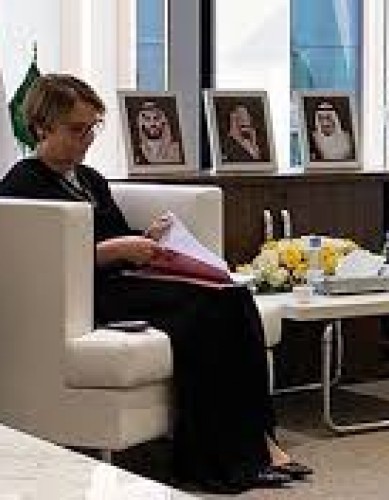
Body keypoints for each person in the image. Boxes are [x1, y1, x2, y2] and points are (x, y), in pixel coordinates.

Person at [0, 74, 313, 493]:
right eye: (76, 130)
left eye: (92, 129)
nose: (86, 140)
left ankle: (262, 440)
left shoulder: (89, 179)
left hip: (129, 281)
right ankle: (222, 458)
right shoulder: (22, 183)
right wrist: (117, 249)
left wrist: (147, 239)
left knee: (235, 298)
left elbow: (112, 232)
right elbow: (45, 259)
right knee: (206, 311)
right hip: (95, 295)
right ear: (42, 127)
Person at [134, 100, 183, 164]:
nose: (152, 123)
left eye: (156, 118)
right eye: (147, 119)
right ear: (141, 123)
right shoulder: (136, 152)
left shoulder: (177, 149)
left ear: (164, 121)